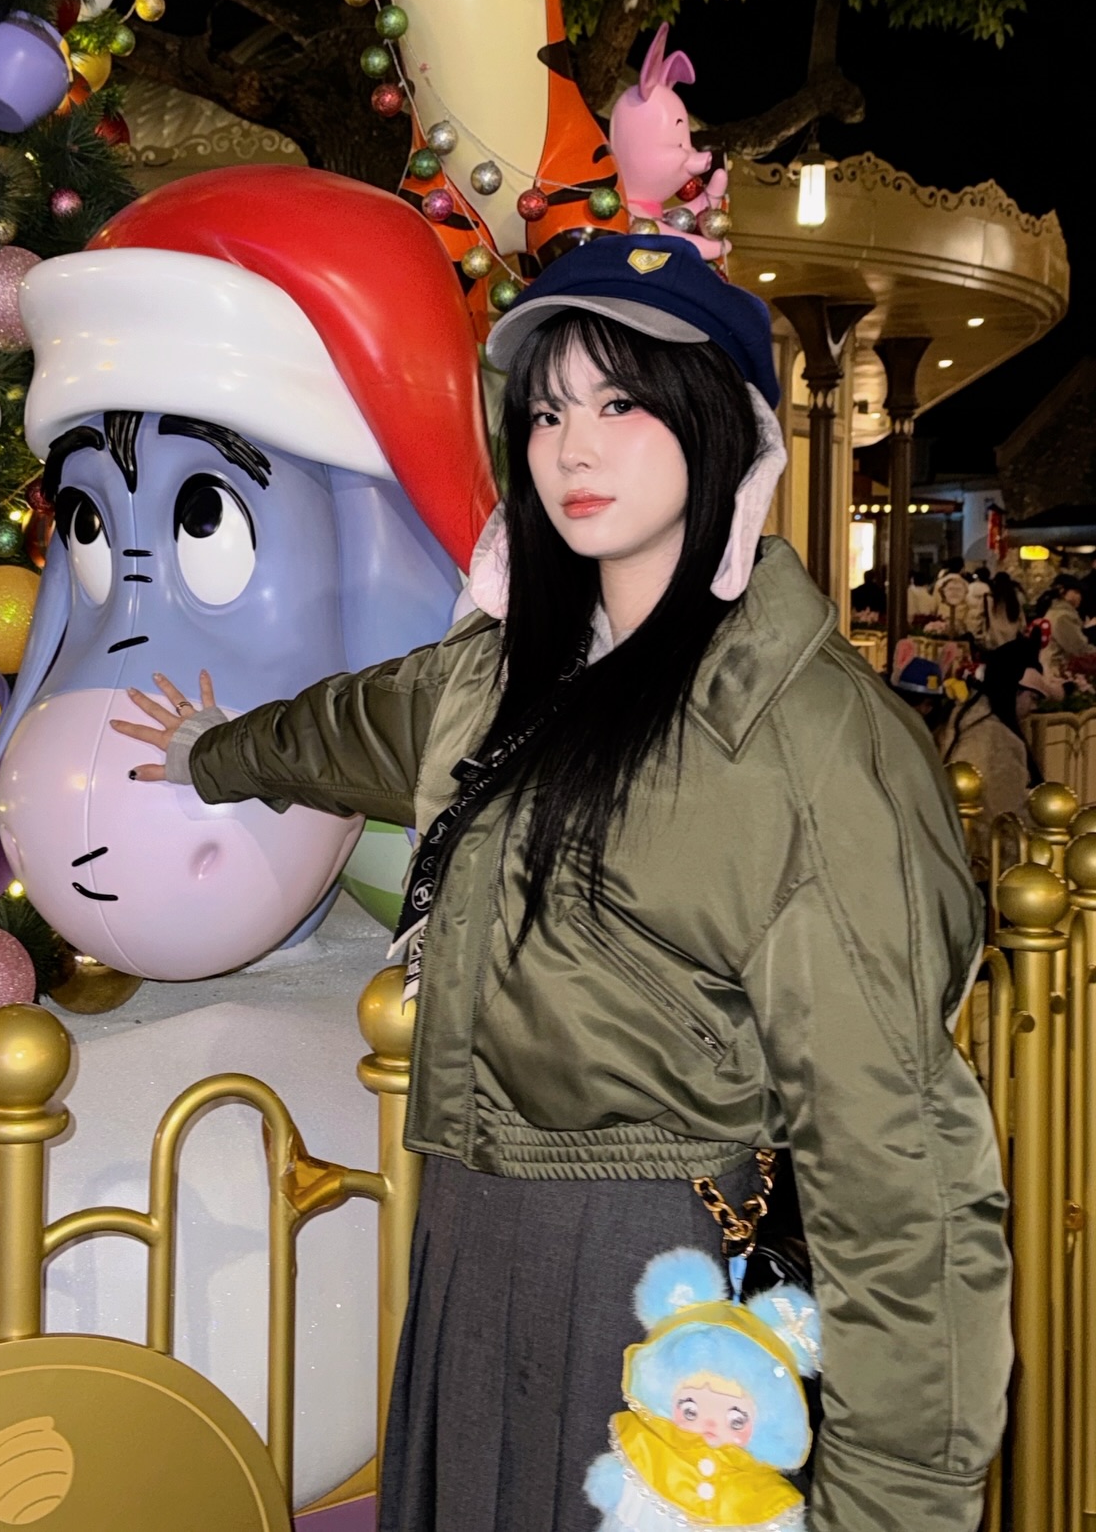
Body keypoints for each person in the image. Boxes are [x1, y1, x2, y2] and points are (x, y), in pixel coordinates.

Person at [113, 235, 1010, 1532]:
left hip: (663, 1280)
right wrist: (213, 749)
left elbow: (899, 1165)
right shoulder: (505, 670)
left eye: (621, 402)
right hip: (476, 1234)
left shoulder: (809, 739)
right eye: (545, 411)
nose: (572, 447)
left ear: (721, 428)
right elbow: (357, 726)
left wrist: (893, 1505)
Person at [939, 636, 1061, 868]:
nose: (1033, 707)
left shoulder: (965, 717)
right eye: (1032, 698)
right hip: (987, 861)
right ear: (1014, 691)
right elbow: (1005, 817)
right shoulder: (997, 738)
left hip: (957, 849)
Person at [982, 571, 1024, 650]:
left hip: (997, 633)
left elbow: (990, 618)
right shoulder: (1014, 596)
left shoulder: (990, 598)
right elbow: (1020, 616)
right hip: (1012, 632)